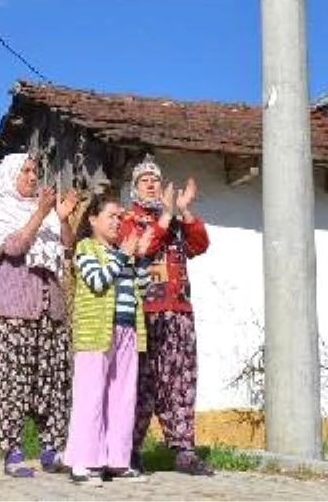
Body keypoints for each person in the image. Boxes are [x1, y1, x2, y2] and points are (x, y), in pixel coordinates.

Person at [0, 153, 78, 478]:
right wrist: (41, 212)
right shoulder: (0, 209)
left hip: (49, 304)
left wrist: (61, 218)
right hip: (12, 305)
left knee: (51, 380)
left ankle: (52, 450)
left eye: (36, 171)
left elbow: (67, 248)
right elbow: (14, 247)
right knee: (12, 380)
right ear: (10, 175)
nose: (33, 176)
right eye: (25, 171)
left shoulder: (48, 214)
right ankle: (13, 453)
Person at [122, 155, 214, 476]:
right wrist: (164, 217)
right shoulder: (129, 219)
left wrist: (184, 210)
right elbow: (142, 250)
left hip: (180, 311)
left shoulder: (174, 219)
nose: (151, 183)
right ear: (134, 187)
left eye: (156, 179)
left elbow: (200, 244)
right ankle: (129, 449)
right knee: (142, 383)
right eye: (144, 179)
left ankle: (184, 450)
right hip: (145, 313)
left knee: (181, 381)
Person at [64, 195, 152, 485]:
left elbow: (142, 286)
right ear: (93, 220)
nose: (117, 221)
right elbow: (98, 280)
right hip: (95, 333)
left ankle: (117, 461)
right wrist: (123, 256)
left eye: (119, 216)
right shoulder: (85, 248)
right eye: (111, 216)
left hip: (127, 330)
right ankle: (83, 462)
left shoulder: (120, 251)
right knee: (91, 396)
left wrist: (141, 258)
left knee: (122, 397)